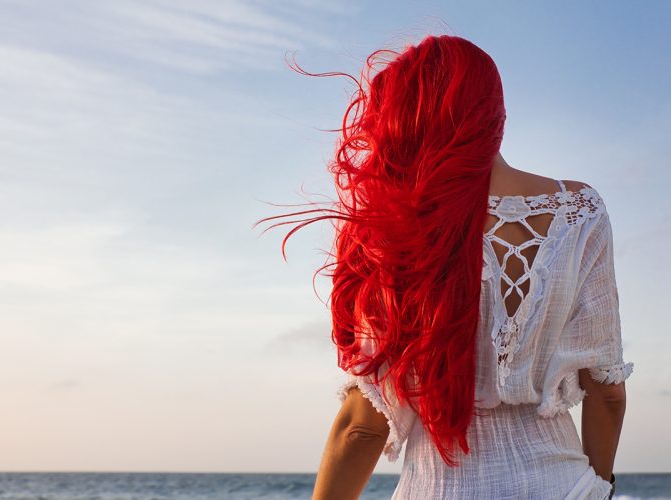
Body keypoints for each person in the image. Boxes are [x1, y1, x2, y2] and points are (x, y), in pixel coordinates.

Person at [255, 34, 632, 499]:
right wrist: (600, 488)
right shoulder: (580, 211)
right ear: (497, 115)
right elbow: (607, 393)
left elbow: (364, 428)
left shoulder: (396, 228)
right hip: (563, 484)